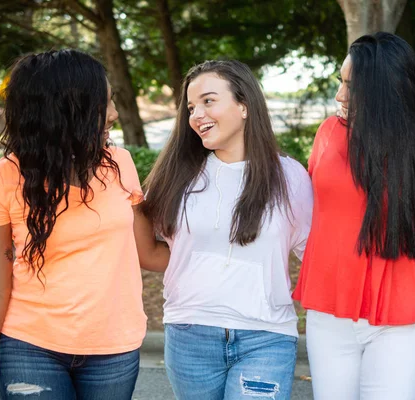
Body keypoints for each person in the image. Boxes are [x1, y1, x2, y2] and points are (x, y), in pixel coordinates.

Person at [0, 49, 168, 399]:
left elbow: (149, 253)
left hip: (115, 347)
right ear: (65, 111)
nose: (114, 114)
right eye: (105, 104)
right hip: (30, 347)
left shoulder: (121, 162)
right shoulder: (1, 178)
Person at [292, 32, 415, 400]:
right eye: (340, 83)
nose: (339, 96)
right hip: (329, 317)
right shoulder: (326, 135)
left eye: (353, 87)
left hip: (397, 325)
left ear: (387, 92)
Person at [140, 59, 313, 400]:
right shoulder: (178, 175)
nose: (196, 115)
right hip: (190, 334)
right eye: (191, 107)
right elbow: (153, 252)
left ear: (244, 105)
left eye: (208, 101)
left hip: (267, 337)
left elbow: (314, 255)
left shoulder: (289, 176)